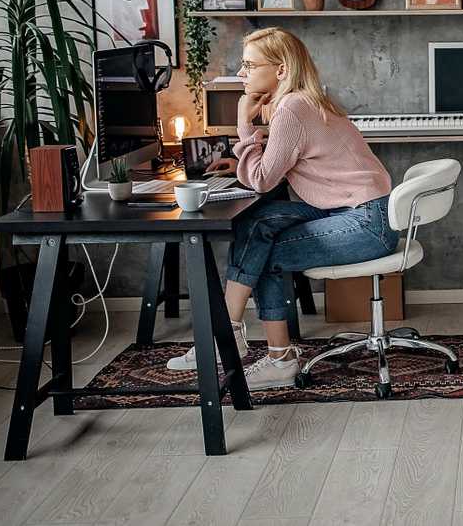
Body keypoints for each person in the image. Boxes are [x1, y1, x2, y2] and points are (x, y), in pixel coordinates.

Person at [167, 27, 398, 390]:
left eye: (248, 65)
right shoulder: (303, 100)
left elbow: (261, 180)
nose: (241, 73)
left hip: (365, 223)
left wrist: (244, 124)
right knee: (256, 224)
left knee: (264, 248)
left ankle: (261, 351)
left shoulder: (292, 107)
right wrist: (239, 160)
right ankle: (233, 338)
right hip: (355, 212)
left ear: (280, 70)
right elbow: (276, 167)